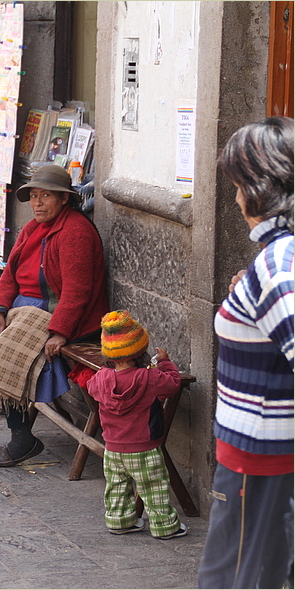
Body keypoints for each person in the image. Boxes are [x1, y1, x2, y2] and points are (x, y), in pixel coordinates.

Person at [0, 164, 108, 465]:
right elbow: (9, 276)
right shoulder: (32, 229)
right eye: (34, 196)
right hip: (23, 308)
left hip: (56, 312)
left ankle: (23, 438)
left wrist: (61, 331)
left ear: (64, 199)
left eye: (46, 196)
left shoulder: (76, 232)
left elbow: (77, 292)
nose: (37, 203)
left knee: (6, 355)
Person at [197, 116, 294, 589]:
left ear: (259, 189)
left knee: (233, 579)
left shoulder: (279, 265)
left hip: (261, 455)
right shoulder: (277, 260)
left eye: (237, 185)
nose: (234, 198)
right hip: (259, 450)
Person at [86, 310, 186, 539]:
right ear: (141, 351)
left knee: (117, 487)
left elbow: (92, 387)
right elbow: (173, 385)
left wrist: (106, 373)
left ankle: (119, 522)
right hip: (145, 447)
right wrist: (165, 363)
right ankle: (164, 526)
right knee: (153, 488)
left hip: (112, 447)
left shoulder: (101, 378)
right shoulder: (150, 378)